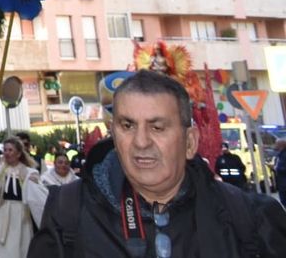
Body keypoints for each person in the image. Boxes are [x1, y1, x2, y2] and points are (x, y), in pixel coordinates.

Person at [28, 70, 286, 256]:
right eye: (127, 125)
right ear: (113, 135)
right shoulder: (67, 213)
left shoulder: (250, 217)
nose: (141, 142)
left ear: (190, 142)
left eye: (158, 127)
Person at [0, 134, 47, 257]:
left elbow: (38, 196)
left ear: (18, 153)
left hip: (20, 215)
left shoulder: (29, 173)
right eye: (5, 150)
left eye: (10, 150)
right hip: (2, 214)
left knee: (19, 246)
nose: (7, 153)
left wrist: (34, 183)